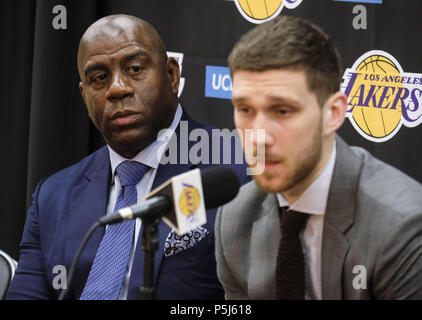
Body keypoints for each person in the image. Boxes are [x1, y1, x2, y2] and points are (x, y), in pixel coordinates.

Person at [6, 14, 249, 300]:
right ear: (84, 96)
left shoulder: (238, 171)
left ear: (172, 75)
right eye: (99, 78)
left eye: (134, 68)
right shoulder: (53, 196)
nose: (117, 88)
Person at [215, 15, 422, 300]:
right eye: (245, 110)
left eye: (282, 111)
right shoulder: (234, 216)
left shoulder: (401, 225)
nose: (259, 136)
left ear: (333, 113)